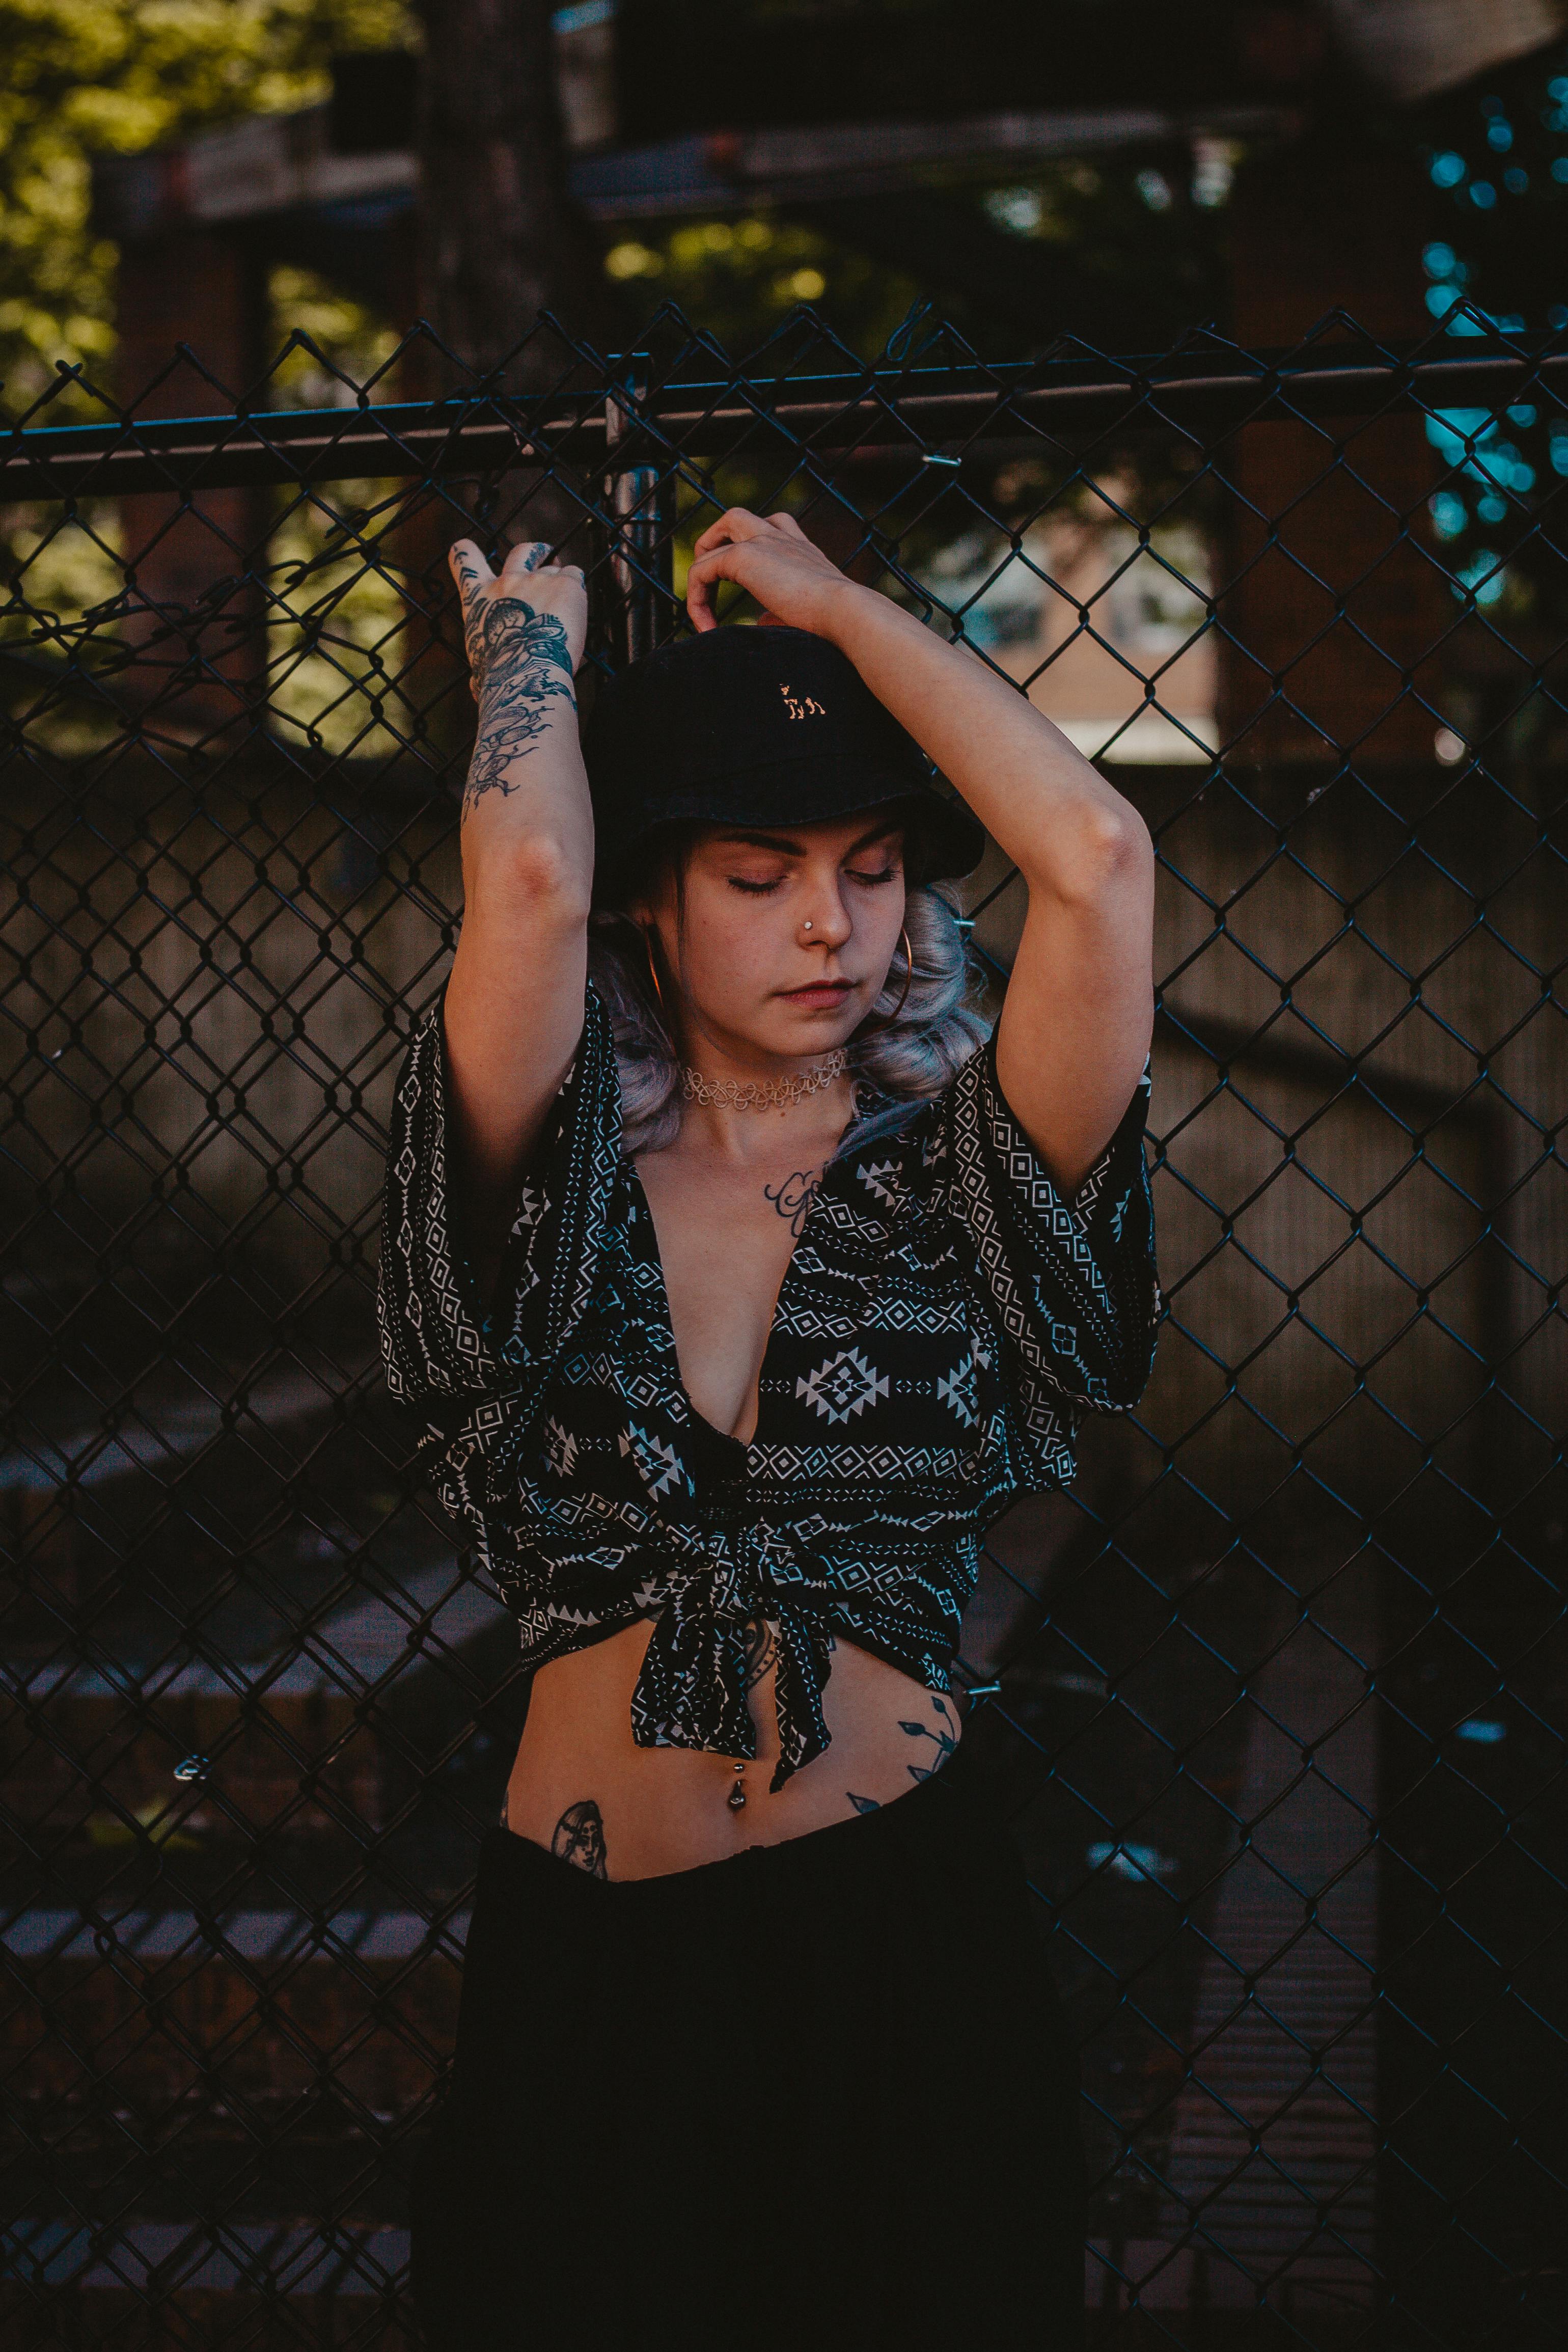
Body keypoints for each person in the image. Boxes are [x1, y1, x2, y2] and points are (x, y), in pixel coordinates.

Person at [378, 507, 1159, 2349]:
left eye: (876, 868)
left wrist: (835, 607)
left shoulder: (969, 1174)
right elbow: (531, 896)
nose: (836, 924)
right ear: (661, 889)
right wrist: (528, 659)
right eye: (759, 872)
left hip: (902, 1944)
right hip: (596, 1980)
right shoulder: (544, 1185)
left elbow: (1101, 853)